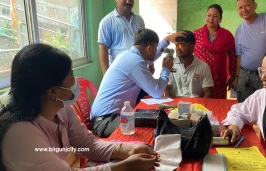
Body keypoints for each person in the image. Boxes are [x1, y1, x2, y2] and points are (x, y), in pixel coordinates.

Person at [0, 44, 159, 171]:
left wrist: (126, 150)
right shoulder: (20, 134)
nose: (75, 82)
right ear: (52, 91)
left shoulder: (61, 108)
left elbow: (87, 144)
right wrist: (125, 166)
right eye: (71, 77)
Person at [91, 29, 184, 138]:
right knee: (154, 127)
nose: (156, 54)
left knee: (158, 118)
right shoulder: (135, 62)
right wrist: (166, 69)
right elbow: (157, 92)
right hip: (105, 121)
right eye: (154, 50)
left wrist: (167, 40)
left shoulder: (128, 55)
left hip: (111, 116)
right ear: (148, 48)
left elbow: (150, 58)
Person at [98, 0, 145, 74]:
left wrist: (150, 64)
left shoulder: (139, 19)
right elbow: (103, 49)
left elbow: (144, 42)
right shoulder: (107, 22)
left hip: (139, 70)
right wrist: (106, 75)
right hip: (119, 72)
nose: (128, 1)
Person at [194, 4, 237, 99]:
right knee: (198, 106)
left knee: (217, 106)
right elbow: (188, 54)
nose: (211, 18)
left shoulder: (227, 35)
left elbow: (233, 57)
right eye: (209, 15)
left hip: (218, 80)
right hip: (199, 78)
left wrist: (233, 76)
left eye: (215, 16)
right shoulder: (196, 34)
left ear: (220, 19)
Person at [165, 30, 213, 98]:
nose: (178, 49)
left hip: (195, 105)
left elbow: (208, 92)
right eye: (176, 45)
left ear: (192, 47)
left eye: (181, 45)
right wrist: (172, 106)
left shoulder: (203, 67)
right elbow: (167, 89)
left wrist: (200, 107)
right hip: (175, 105)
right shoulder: (170, 64)